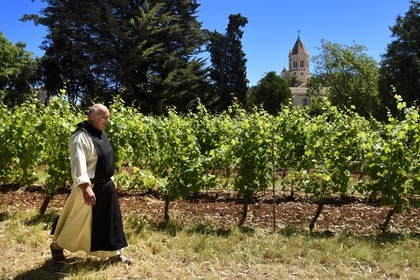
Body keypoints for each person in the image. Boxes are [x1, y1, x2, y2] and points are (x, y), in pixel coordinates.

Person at [50, 104, 131, 264]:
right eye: (104, 117)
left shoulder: (100, 134)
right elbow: (77, 163)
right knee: (78, 222)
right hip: (89, 188)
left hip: (105, 187)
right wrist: (85, 187)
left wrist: (111, 180)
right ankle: (57, 246)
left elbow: (106, 160)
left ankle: (114, 254)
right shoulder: (80, 137)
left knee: (110, 223)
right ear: (92, 116)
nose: (107, 120)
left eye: (108, 117)